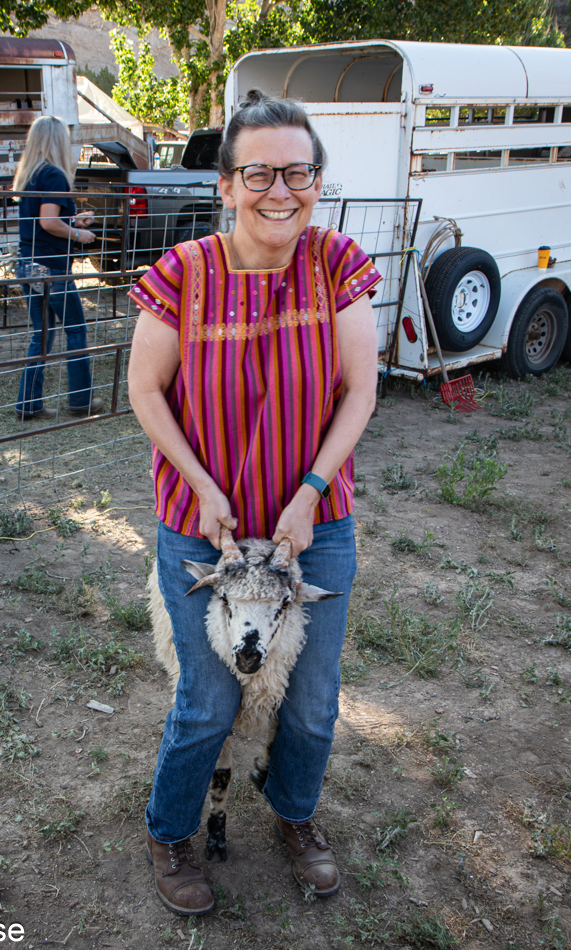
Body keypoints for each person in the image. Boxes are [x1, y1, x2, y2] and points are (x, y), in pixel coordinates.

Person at [127, 91, 382, 916]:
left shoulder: (336, 262)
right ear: (226, 185)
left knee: (310, 699)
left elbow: (360, 389)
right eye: (260, 172)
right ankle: (172, 831)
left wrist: (311, 492)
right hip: (203, 527)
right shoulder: (182, 273)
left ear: (316, 179)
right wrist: (201, 485)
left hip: (315, 524)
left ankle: (295, 817)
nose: (282, 190)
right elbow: (144, 389)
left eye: (298, 171)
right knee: (207, 701)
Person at [14, 115, 105, 420]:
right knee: (76, 330)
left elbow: (43, 223)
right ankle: (80, 401)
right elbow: (48, 223)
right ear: (59, 141)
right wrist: (80, 234)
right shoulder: (54, 175)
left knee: (43, 334)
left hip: (28, 264)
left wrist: (74, 221)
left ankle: (28, 403)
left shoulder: (31, 175)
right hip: (51, 268)